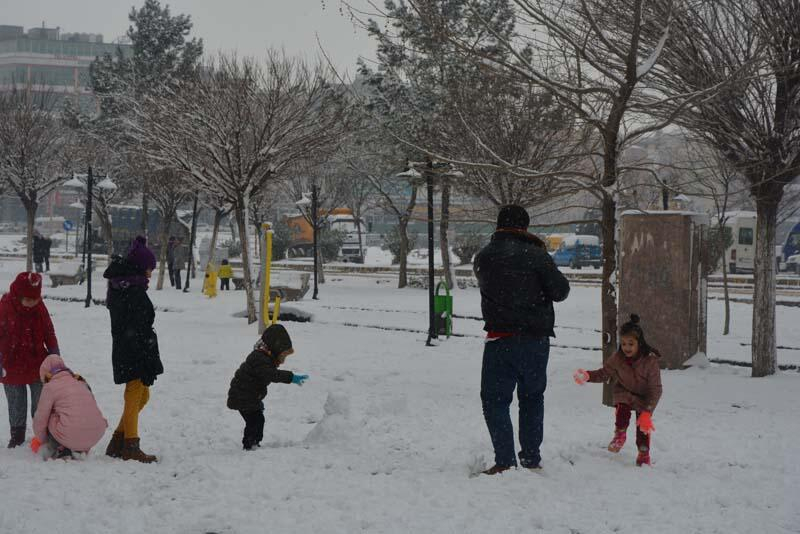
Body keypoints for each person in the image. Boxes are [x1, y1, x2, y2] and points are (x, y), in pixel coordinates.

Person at [473, 205, 570, 475]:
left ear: (498, 225)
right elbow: (560, 291)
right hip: (534, 341)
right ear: (524, 227)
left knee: (495, 400)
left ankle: (504, 460)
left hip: (499, 340)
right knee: (531, 397)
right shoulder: (537, 255)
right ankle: (530, 457)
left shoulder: (484, 257)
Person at [102, 236, 164, 463]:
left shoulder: (125, 286)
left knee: (142, 395)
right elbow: (137, 325)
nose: (150, 273)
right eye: (149, 268)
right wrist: (144, 354)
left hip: (130, 347)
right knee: (135, 392)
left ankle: (119, 440)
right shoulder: (132, 291)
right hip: (134, 349)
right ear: (139, 267)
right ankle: (130, 445)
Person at [573, 314, 662, 466]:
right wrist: (588, 375)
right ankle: (620, 435)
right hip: (624, 392)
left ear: (639, 343)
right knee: (622, 408)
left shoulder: (650, 361)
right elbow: (603, 373)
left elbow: (655, 389)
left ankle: (643, 453)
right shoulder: (617, 359)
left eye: (631, 344)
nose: (626, 348)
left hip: (644, 397)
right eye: (624, 344)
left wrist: (647, 411)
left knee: (643, 427)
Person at [0, 272, 60, 448]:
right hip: (10, 364)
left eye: (36, 299)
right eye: (29, 299)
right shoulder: (4, 308)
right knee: (16, 402)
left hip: (37, 363)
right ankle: (17, 434)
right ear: (18, 295)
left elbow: (49, 332)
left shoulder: (39, 307)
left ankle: (43, 433)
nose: (33, 303)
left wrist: (54, 353)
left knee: (41, 401)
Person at [226, 324, 308, 451]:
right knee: (256, 420)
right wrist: (291, 377)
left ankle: (252, 443)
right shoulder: (260, 358)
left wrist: (257, 402)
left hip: (248, 396)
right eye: (282, 356)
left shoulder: (264, 357)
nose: (283, 360)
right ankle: (250, 445)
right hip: (242, 396)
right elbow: (271, 375)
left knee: (256, 419)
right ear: (275, 348)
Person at [31, 354, 108, 460]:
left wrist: (42, 440)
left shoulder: (50, 387)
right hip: (96, 433)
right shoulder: (80, 381)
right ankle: (79, 446)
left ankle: (60, 447)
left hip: (71, 434)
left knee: (48, 415)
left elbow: (40, 418)